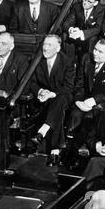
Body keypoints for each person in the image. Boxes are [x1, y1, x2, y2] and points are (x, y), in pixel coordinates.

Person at [66, 39, 105, 145]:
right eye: (95, 49)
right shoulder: (86, 59)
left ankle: (86, 148)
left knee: (89, 118)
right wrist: (78, 101)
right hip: (84, 101)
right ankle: (70, 147)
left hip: (103, 104)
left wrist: (94, 100)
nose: (95, 53)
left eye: (100, 51)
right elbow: (79, 85)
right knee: (75, 114)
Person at [30, 34, 75, 166]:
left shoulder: (67, 61)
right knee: (58, 113)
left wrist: (52, 94)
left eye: (49, 45)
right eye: (44, 44)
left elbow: (68, 87)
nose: (45, 48)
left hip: (63, 96)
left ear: (58, 48)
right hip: (44, 98)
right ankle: (55, 151)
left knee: (60, 100)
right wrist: (41, 91)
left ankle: (43, 130)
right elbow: (31, 82)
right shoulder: (37, 59)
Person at [62, 0, 105, 65]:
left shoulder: (101, 9)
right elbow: (67, 23)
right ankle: (69, 65)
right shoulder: (77, 7)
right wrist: (71, 29)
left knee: (93, 39)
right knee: (65, 35)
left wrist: (82, 33)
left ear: (95, 3)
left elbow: (98, 29)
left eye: (89, 1)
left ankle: (87, 68)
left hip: (90, 37)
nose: (85, 3)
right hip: (76, 36)